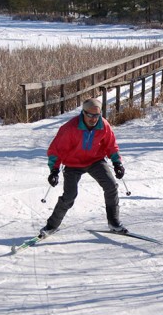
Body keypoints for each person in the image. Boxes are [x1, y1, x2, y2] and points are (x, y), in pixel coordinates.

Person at [39, 98, 127, 238]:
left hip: (95, 161)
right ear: (83, 113)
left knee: (111, 186)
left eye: (97, 115)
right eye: (90, 115)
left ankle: (114, 223)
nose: (93, 119)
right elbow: (56, 150)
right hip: (73, 164)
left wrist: (117, 163)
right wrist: (54, 171)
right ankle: (51, 226)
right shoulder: (70, 128)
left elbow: (111, 145)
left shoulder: (103, 125)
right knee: (69, 196)